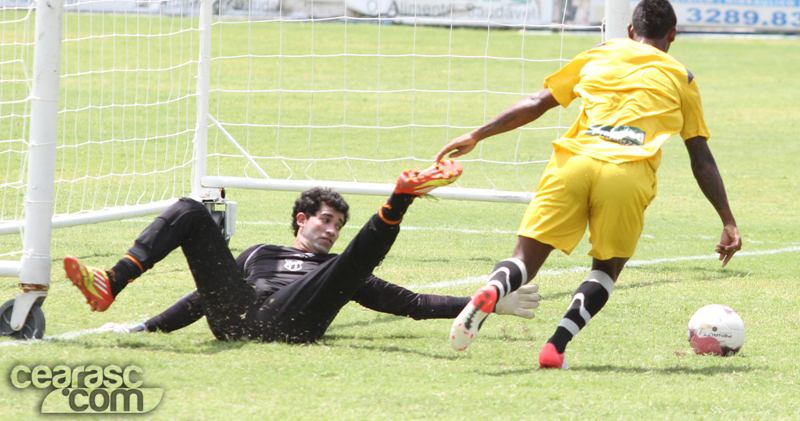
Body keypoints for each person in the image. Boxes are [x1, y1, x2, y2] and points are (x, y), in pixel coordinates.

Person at [435, 0, 742, 368]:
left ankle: (493, 289)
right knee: (605, 270)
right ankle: (555, 347)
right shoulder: (683, 77)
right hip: (627, 175)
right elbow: (701, 158)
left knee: (524, 259)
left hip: (573, 163)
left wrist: (477, 135)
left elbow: (538, 101)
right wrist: (727, 219)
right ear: (672, 36)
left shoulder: (600, 52)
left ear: (631, 31)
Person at [63, 160, 541, 343]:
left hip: (293, 324)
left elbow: (411, 304)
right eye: (326, 220)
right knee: (191, 209)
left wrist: (487, 302)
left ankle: (400, 199)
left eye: (338, 224)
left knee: (345, 267)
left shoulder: (335, 271)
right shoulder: (258, 253)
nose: (331, 230)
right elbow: (201, 299)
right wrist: (145, 326)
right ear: (302, 220)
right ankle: (112, 281)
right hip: (236, 321)